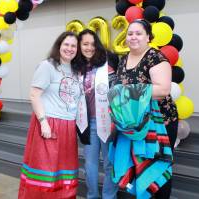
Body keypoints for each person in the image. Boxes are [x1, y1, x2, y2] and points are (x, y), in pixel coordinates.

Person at [109, 19, 178, 199]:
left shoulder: (155, 57)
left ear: (148, 37)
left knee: (157, 167)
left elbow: (162, 90)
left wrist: (126, 92)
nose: (133, 37)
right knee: (138, 166)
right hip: (133, 124)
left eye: (138, 33)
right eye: (130, 34)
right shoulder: (124, 59)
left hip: (159, 123)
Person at [18, 31, 82, 199]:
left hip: (68, 126)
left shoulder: (76, 70)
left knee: (63, 169)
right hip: (50, 123)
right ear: (59, 46)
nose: (70, 49)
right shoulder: (48, 66)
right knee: (45, 169)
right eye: (66, 44)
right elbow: (34, 95)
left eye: (73, 46)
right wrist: (43, 122)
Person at [75, 29, 119, 199]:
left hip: (109, 121)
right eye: (85, 44)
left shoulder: (110, 61)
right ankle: (92, 196)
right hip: (87, 122)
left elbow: (119, 88)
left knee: (110, 163)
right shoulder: (75, 66)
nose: (89, 48)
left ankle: (109, 196)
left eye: (92, 44)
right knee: (90, 164)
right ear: (80, 46)